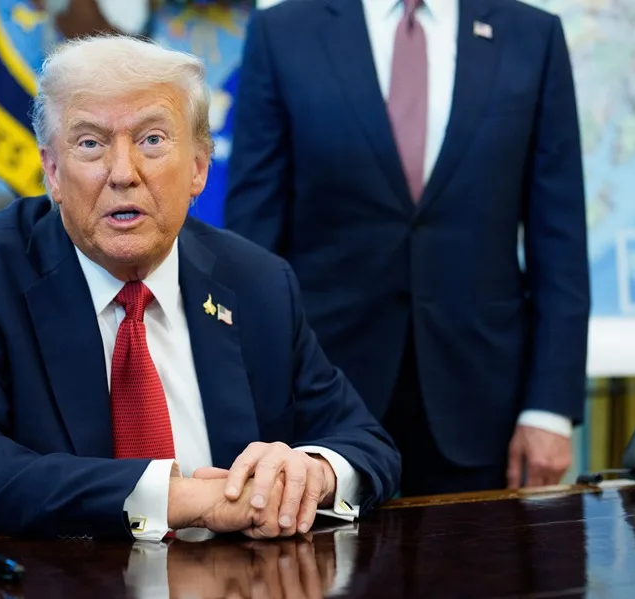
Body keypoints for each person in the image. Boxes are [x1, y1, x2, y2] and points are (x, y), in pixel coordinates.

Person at [0, 34, 400, 541]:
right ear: (51, 169)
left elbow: (365, 443)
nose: (122, 173)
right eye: (90, 143)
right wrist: (178, 496)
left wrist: (312, 473)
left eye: (152, 140)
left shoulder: (257, 282)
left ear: (199, 167)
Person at [224, 0, 589, 495]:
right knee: (325, 575)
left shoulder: (532, 35)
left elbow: (560, 239)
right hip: (321, 407)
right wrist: (248, 401)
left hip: (483, 407)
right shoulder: (282, 32)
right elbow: (252, 241)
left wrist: (549, 409)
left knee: (486, 570)